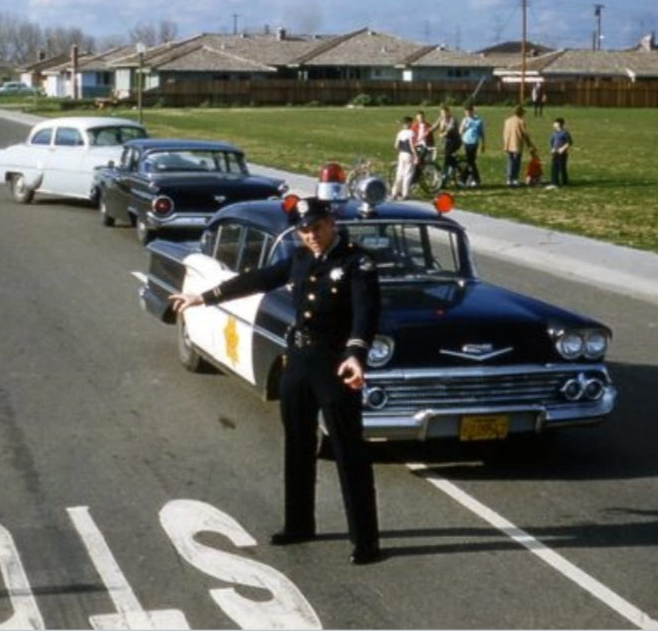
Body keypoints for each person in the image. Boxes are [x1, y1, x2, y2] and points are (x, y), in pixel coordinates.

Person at [168, 191, 383, 565]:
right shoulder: (299, 259)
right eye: (304, 231)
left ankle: (366, 540)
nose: (311, 236)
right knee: (297, 444)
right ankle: (299, 524)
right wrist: (202, 298)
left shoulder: (356, 263)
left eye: (317, 228)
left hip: (334, 365)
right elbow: (257, 279)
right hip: (298, 360)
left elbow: (367, 312)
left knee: (349, 451)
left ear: (332, 223)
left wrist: (356, 354)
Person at [502, 105, 536, 187]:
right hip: (517, 144)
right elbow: (525, 134)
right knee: (516, 162)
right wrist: (530, 145)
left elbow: (504, 133)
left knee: (510, 161)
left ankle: (509, 179)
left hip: (508, 144)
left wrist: (505, 144)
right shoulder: (521, 121)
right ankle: (514, 178)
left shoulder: (507, 121)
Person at [433, 104, 462, 186]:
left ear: (448, 112)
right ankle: (453, 169)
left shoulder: (452, 119)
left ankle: (445, 179)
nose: (443, 115)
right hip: (447, 142)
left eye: (445, 113)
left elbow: (451, 128)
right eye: (441, 113)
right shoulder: (441, 119)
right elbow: (435, 126)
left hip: (455, 141)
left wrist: (444, 133)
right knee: (448, 159)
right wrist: (428, 131)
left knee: (446, 159)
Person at [459, 104, 485, 187]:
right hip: (466, 142)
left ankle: (464, 179)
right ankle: (474, 179)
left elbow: (481, 133)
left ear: (472, 111)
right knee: (470, 162)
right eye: (466, 112)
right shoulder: (465, 120)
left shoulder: (478, 120)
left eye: (469, 111)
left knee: (471, 162)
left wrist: (483, 144)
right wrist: (465, 126)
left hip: (474, 143)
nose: (468, 113)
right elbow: (460, 131)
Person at [392, 116, 417, 200]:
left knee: (399, 174)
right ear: (409, 123)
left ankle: (394, 192)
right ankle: (405, 193)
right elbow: (412, 145)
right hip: (409, 154)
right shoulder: (411, 133)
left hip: (401, 154)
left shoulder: (400, 133)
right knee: (408, 174)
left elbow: (396, 145)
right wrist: (416, 155)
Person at [547, 117, 573, 188]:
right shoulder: (554, 133)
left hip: (562, 154)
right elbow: (551, 142)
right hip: (555, 153)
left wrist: (563, 148)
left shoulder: (565, 133)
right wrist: (552, 149)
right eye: (554, 123)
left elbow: (569, 142)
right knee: (554, 168)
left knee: (562, 168)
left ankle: (565, 183)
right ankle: (554, 183)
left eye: (555, 123)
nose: (554, 124)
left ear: (560, 124)